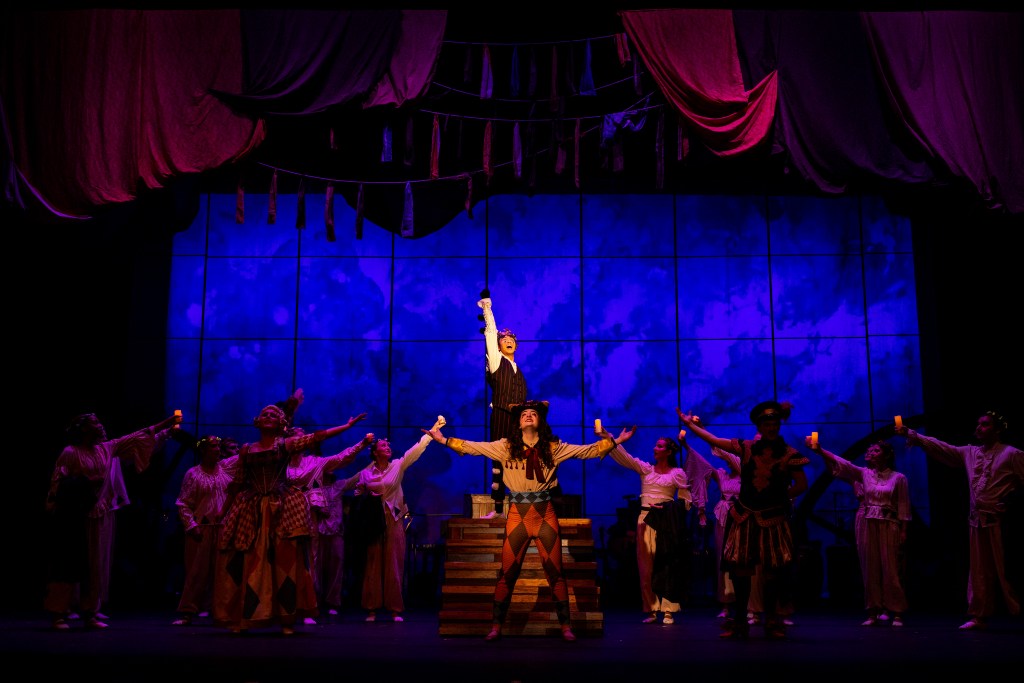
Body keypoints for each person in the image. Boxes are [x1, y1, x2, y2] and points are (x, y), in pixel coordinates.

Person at [427, 400, 630, 641]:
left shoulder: (553, 448)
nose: (529, 415)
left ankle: (566, 626)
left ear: (540, 421)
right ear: (518, 422)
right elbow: (474, 447)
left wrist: (616, 441)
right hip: (518, 516)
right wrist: (443, 440)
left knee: (555, 572)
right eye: (524, 414)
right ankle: (496, 626)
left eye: (534, 413)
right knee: (507, 573)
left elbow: (586, 451)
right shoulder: (505, 447)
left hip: (545, 515)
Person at [213, 404, 367, 635]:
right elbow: (238, 483)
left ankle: (286, 618)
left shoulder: (285, 445)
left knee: (285, 563)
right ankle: (245, 616)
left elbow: (317, 436)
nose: (268, 416)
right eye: (264, 414)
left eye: (274, 415)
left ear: (281, 424)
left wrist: (346, 426)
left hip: (281, 506)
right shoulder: (246, 450)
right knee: (249, 561)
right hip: (252, 508)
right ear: (257, 421)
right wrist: (223, 511)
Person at [677, 401, 808, 640]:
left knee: (773, 572)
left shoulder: (789, 454)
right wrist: (690, 426)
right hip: (745, 516)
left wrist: (781, 497)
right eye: (766, 424)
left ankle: (771, 621)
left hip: (772, 519)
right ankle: (740, 622)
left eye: (774, 423)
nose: (771, 427)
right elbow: (714, 440)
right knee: (740, 571)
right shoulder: (747, 448)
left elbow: (801, 484)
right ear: (759, 426)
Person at [44, 410, 182, 630]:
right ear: (83, 429)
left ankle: (90, 611)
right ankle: (59, 612)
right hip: (76, 516)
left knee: (96, 563)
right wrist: (57, 507)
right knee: (69, 562)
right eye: (94, 423)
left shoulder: (106, 448)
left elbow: (136, 437)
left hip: (100, 513)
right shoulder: (71, 452)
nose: (100, 425)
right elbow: (57, 482)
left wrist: (166, 424)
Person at [897, 411, 1023, 630]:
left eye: (985, 424)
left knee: (1008, 568)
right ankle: (979, 615)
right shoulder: (970, 453)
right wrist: (913, 436)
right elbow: (943, 448)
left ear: (997, 429)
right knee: (979, 570)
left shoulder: (1012, 454)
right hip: (977, 521)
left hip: (1002, 522)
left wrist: (1009, 502)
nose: (979, 428)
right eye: (978, 424)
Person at [342, 416, 443, 623]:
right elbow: (352, 487)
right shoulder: (366, 473)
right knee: (373, 564)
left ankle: (395, 609)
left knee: (394, 563)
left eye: (388, 445)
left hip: (393, 518)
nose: (387, 447)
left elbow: (414, 452)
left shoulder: (397, 465)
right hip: (373, 522)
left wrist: (431, 434)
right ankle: (371, 608)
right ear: (374, 452)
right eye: (382, 445)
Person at [810, 437, 910, 626]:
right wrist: (821, 451)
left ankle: (896, 611)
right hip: (866, 520)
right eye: (870, 451)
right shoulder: (863, 474)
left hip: (889, 522)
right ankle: (873, 610)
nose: (871, 453)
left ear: (887, 455)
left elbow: (904, 505)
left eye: (876, 451)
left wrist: (904, 529)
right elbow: (842, 465)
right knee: (869, 566)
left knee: (890, 568)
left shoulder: (898, 478)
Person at [601, 424, 692, 624]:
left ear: (668, 452)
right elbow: (625, 457)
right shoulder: (646, 470)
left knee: (666, 564)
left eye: (659, 446)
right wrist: (608, 436)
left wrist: (667, 508)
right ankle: (651, 608)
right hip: (645, 519)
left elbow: (686, 502)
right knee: (646, 566)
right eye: (655, 445)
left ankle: (668, 610)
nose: (654, 448)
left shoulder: (677, 473)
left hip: (665, 522)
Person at [287, 425, 373, 624]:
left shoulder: (316, 465)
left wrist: (363, 446)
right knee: (289, 559)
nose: (300, 440)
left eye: (303, 437)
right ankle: (287, 605)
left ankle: (314, 604)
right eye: (296, 437)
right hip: (288, 513)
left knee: (316, 562)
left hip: (320, 525)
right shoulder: (281, 462)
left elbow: (342, 459)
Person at [172, 434, 236, 626]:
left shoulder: (225, 468)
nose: (217, 450)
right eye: (213, 447)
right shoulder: (193, 474)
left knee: (223, 572)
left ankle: (221, 611)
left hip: (223, 527)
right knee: (196, 572)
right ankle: (188, 611)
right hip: (201, 528)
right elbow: (183, 503)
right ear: (203, 450)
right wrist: (191, 526)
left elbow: (244, 456)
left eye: (218, 446)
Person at [477, 290, 527, 519]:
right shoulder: (497, 362)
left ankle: (521, 510)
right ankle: (498, 510)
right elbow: (490, 334)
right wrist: (487, 310)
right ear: (498, 347)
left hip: (519, 422)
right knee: (499, 461)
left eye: (511, 340)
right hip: (501, 415)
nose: (508, 342)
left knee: (520, 464)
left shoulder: (519, 371)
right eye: (504, 340)